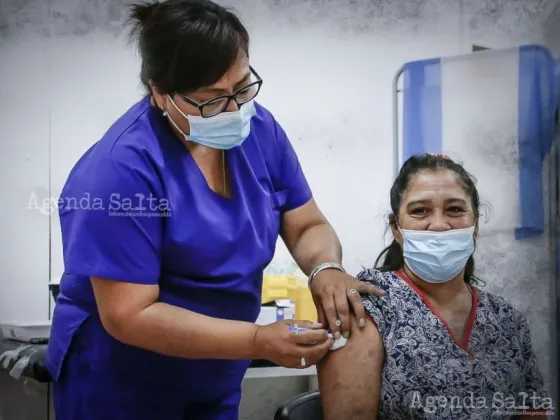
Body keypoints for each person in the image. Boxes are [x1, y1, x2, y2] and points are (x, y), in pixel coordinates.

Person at [45, 0, 383, 419]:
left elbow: (306, 223)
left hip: (214, 373)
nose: (235, 109)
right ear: (159, 92)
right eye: (211, 100)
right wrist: (258, 341)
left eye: (242, 88)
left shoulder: (260, 131)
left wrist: (325, 267)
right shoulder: (118, 172)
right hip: (120, 383)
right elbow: (129, 316)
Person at [317, 153, 551, 420]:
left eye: (455, 209)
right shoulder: (367, 307)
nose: (439, 225)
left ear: (474, 224)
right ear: (396, 228)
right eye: (420, 211)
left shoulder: (507, 321)